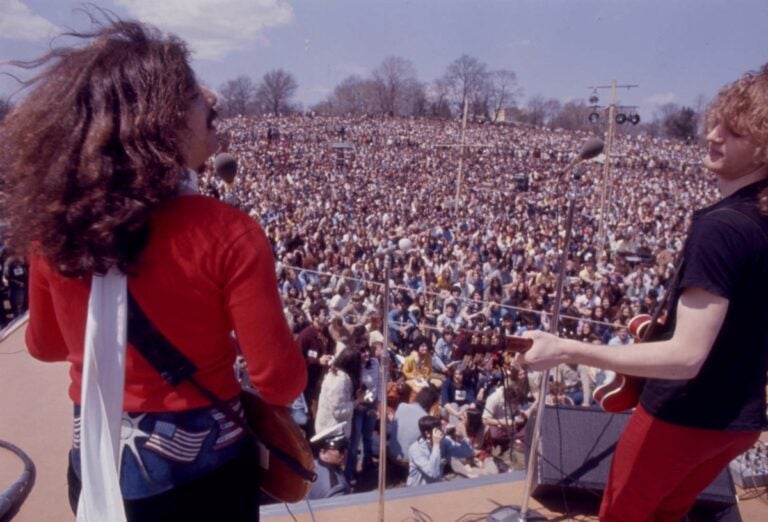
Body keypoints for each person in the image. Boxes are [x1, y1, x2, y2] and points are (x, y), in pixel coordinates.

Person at [1, 19, 306, 521]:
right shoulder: (227, 231)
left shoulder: (56, 226)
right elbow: (279, 382)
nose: (210, 99)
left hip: (97, 470)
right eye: (191, 93)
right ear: (157, 122)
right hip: (204, 483)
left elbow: (46, 345)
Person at [521, 64, 768, 521]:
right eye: (716, 122)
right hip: (741, 421)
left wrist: (566, 348)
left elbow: (686, 357)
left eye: (734, 132)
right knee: (668, 514)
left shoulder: (721, 228)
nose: (713, 135)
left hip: (683, 418)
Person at [307, 423, 352, 499]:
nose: (345, 453)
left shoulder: (312, 466)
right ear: (323, 452)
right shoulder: (336, 488)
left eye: (346, 447)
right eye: (340, 449)